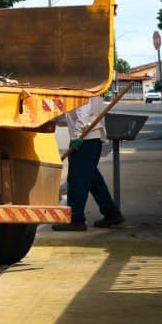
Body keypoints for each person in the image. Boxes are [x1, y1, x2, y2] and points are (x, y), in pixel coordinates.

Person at [53, 93, 125, 231]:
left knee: (76, 180)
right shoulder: (87, 87)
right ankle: (111, 214)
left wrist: (76, 135)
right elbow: (70, 117)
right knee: (92, 179)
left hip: (85, 139)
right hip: (90, 138)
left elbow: (84, 113)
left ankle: (75, 219)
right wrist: (53, 120)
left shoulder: (83, 89)